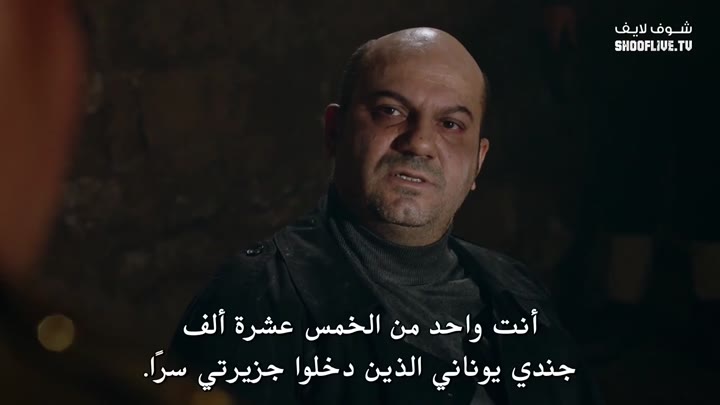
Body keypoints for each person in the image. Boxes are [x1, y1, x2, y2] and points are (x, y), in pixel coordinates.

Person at [171, 27, 602, 405]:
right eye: (390, 111)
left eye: (451, 124)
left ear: (478, 163)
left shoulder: (518, 291)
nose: (420, 143)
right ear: (335, 131)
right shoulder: (254, 302)